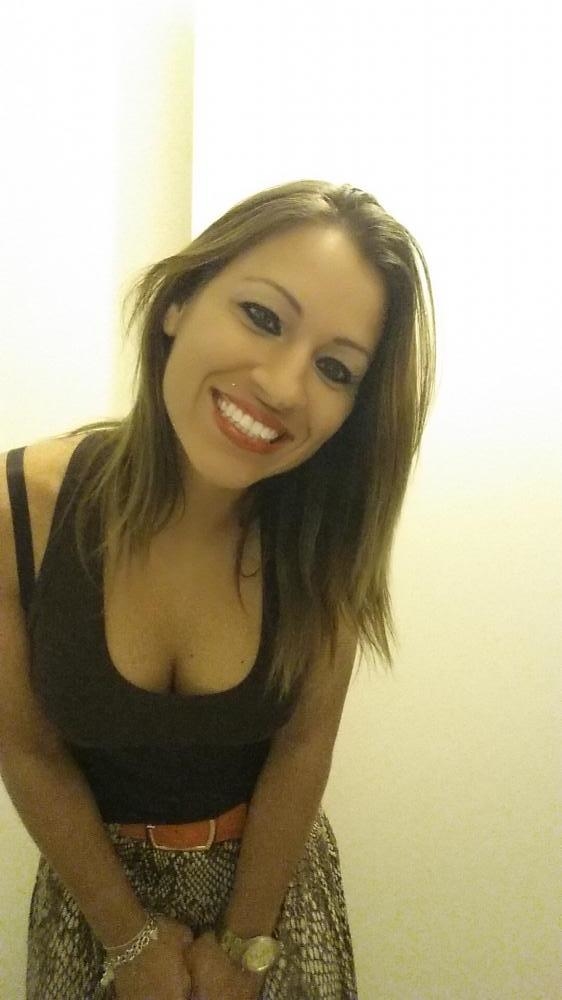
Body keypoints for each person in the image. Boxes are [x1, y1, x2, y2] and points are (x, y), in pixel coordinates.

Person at [0, 178, 436, 999]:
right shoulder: (19, 509)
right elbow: (27, 748)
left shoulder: (326, 534)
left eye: (335, 368)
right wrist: (129, 941)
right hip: (93, 907)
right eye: (263, 317)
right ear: (180, 302)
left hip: (271, 904)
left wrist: (245, 947)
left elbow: (303, 747)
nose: (283, 385)